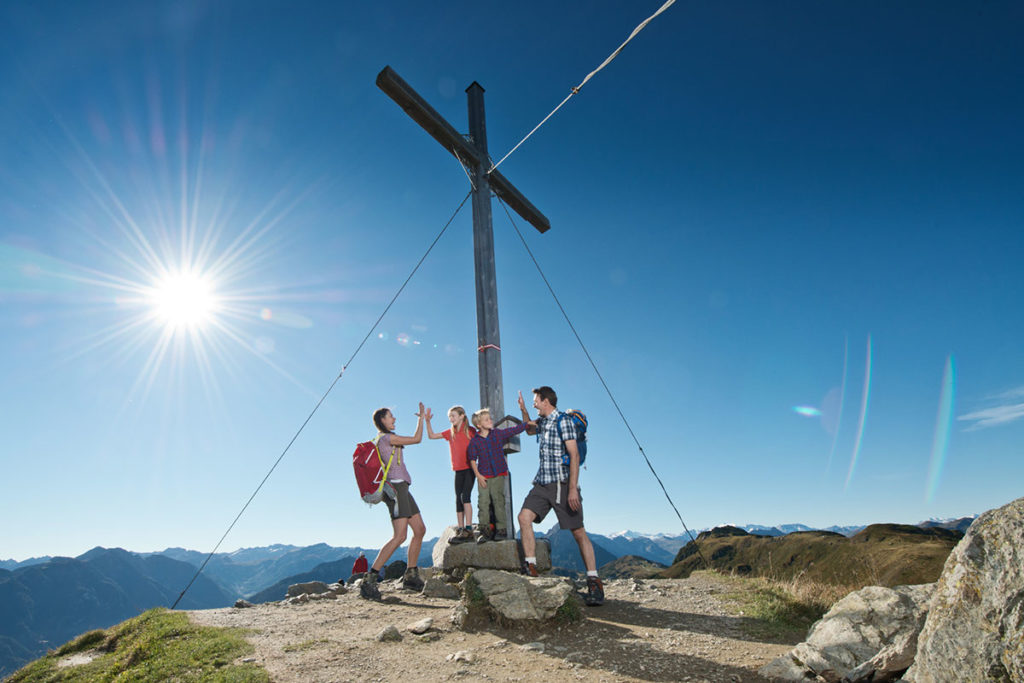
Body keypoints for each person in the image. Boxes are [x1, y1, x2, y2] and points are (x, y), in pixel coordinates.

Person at [517, 387, 604, 606]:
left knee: (578, 532)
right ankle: (531, 566)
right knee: (524, 518)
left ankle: (594, 581)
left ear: (546, 401)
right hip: (541, 483)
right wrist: (523, 410)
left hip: (562, 484)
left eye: (535, 401)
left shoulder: (562, 421)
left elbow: (574, 454)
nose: (534, 403)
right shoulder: (543, 422)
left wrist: (573, 488)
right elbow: (528, 430)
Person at [360, 403, 430, 600]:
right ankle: (370, 579)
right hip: (396, 490)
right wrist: (421, 418)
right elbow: (417, 439)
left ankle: (410, 575)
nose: (394, 419)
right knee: (400, 536)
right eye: (391, 416)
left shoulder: (385, 438)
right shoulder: (386, 438)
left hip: (403, 488)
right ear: (382, 420)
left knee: (420, 530)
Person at [466, 407, 534, 544]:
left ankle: (501, 531)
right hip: (483, 477)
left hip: (498, 474)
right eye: (487, 419)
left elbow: (511, 430)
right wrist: (478, 476)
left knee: (499, 501)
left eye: (490, 418)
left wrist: (526, 425)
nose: (491, 420)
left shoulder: (496, 434)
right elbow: (472, 460)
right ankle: (484, 531)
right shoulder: (475, 441)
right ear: (479, 425)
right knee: (483, 503)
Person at [426, 405, 477, 544]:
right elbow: (431, 436)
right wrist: (428, 421)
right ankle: (460, 529)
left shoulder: (471, 431)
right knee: (457, 499)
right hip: (458, 470)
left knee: (465, 497)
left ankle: (468, 528)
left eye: (453, 415)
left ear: (461, 416)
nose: (450, 419)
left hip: (470, 468)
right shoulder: (450, 432)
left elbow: (482, 441)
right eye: (449, 417)